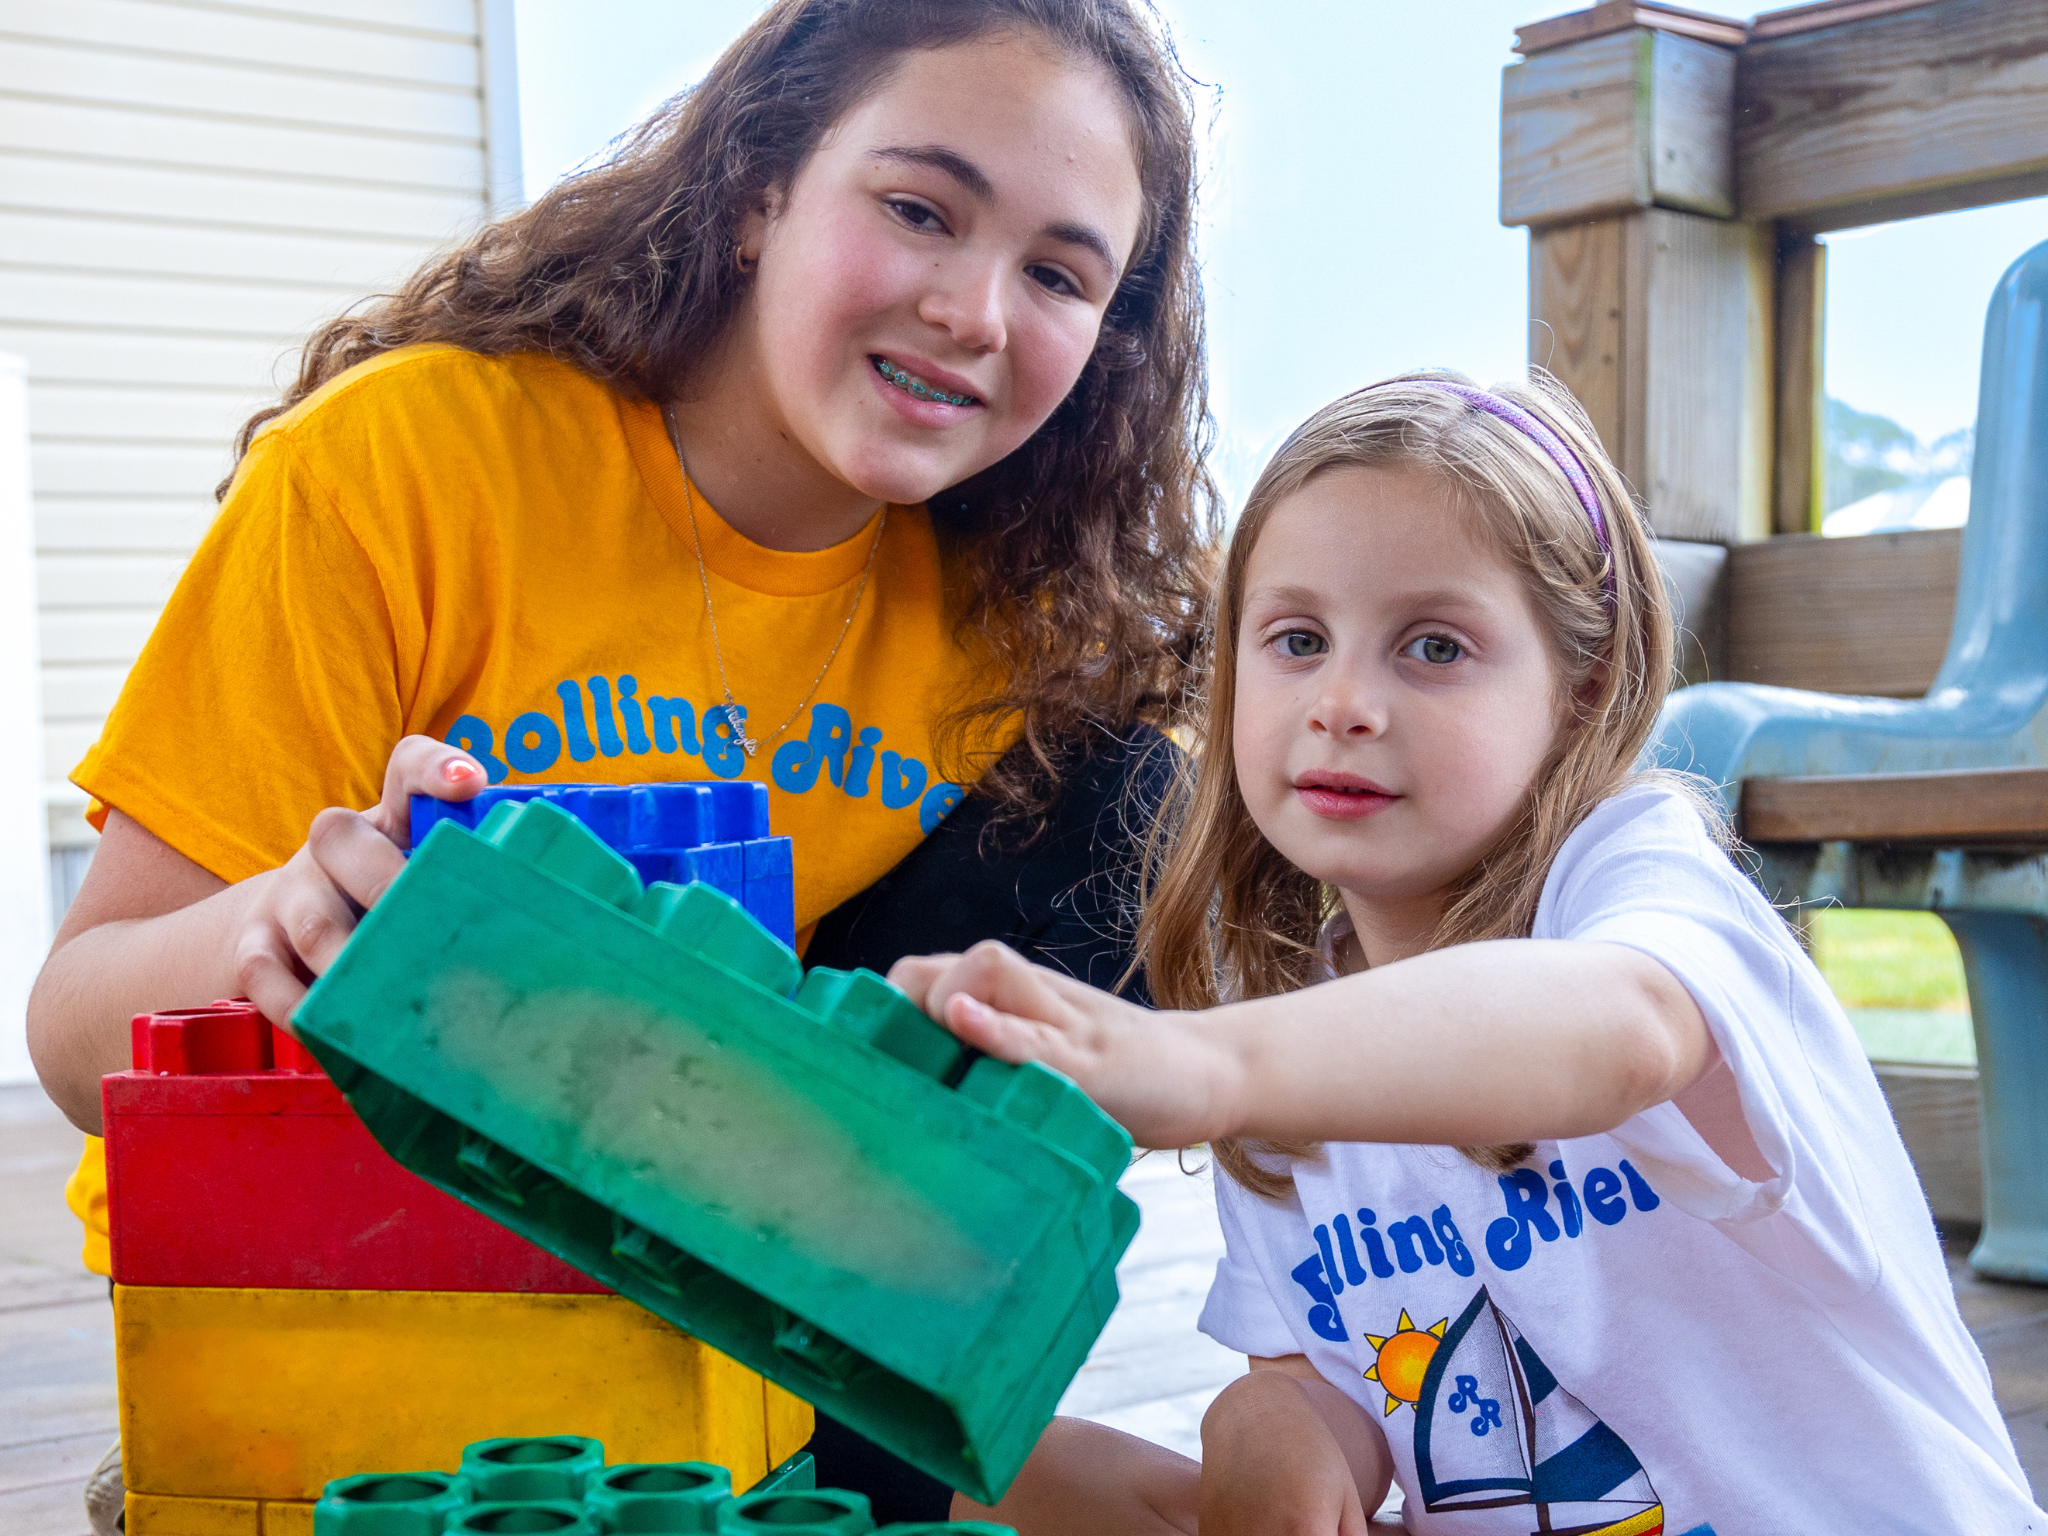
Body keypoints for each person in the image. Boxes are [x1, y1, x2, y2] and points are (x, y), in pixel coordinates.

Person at [27, 0, 1211, 1523]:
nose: (977, 310)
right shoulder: (407, 467)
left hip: (691, 1345)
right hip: (325, 1332)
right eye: (920, 209)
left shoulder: (1027, 618)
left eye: (1059, 273)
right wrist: (286, 916)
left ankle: (913, 1445)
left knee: (1134, 814)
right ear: (756, 189)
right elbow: (71, 1035)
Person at [894, 373, 2040, 1534]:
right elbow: (1342, 1367)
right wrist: (1279, 1424)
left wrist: (1204, 1064)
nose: (1342, 700)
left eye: (1432, 648)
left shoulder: (1635, 874)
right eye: (1295, 639)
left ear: (1578, 690)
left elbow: (1625, 1028)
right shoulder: (1287, 1012)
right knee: (1021, 1477)